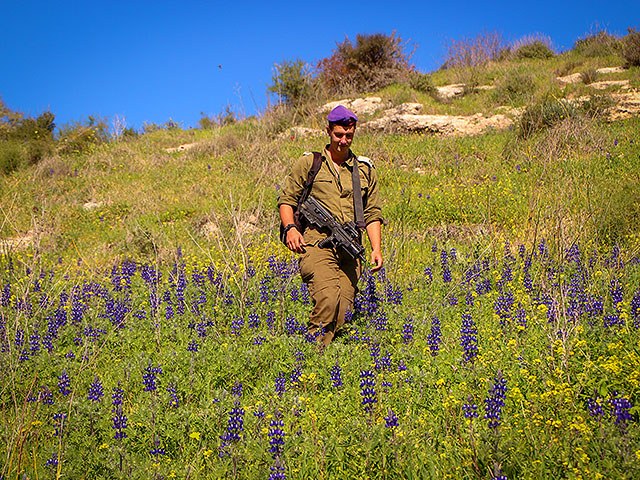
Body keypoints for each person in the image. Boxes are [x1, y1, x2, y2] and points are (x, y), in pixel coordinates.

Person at [278, 105, 384, 348]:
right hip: (316, 241)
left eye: (349, 136)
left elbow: (372, 213)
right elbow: (287, 200)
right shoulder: (309, 163)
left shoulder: (365, 170)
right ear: (328, 131)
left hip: (350, 245)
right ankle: (311, 354)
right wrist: (290, 228)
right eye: (338, 135)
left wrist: (375, 248)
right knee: (327, 298)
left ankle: (325, 356)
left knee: (344, 308)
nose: (343, 141)